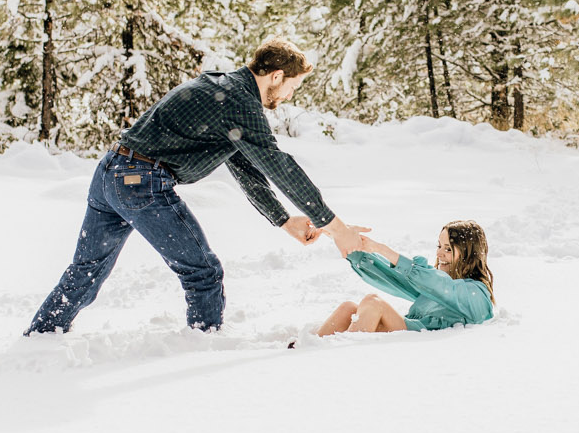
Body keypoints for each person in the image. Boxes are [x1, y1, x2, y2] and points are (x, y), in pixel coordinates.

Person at [27, 37, 361, 335]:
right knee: (203, 271)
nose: (289, 95)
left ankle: (41, 336)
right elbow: (278, 164)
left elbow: (247, 167)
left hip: (111, 173)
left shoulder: (226, 89)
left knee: (86, 270)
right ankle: (204, 343)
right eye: (293, 86)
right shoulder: (239, 100)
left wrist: (284, 219)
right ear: (276, 76)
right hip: (140, 182)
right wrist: (335, 226)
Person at [315, 221, 495, 336]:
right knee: (349, 308)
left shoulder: (477, 294)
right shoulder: (433, 287)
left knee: (373, 303)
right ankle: (304, 352)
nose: (439, 253)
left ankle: (340, 357)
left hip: (415, 342)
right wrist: (347, 242)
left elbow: (441, 286)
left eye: (448, 249)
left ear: (469, 254)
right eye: (439, 246)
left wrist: (382, 249)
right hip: (404, 332)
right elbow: (392, 276)